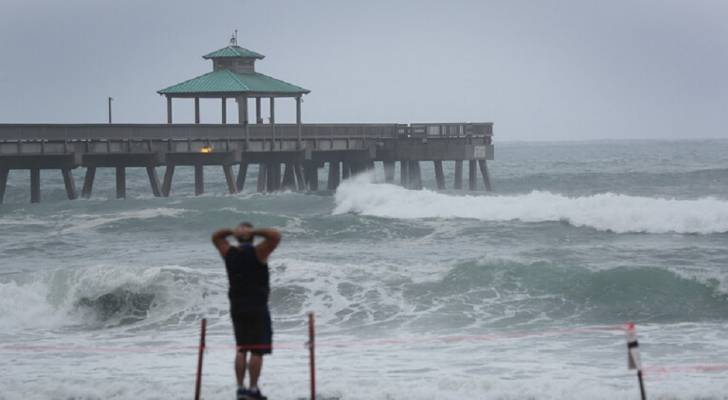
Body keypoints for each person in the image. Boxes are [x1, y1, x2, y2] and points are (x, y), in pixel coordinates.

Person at [212, 222, 281, 400]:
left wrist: (231, 230)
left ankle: (240, 389)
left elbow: (216, 237)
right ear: (252, 237)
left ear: (236, 238)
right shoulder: (259, 252)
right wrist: (255, 230)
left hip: (237, 306)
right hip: (257, 306)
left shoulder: (229, 253)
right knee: (257, 350)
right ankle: (252, 389)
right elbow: (275, 235)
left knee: (241, 348)